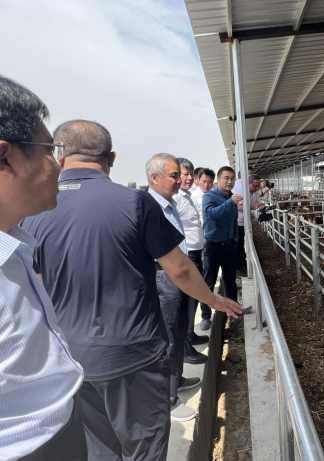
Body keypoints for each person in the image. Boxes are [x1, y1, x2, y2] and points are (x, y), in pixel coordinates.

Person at [22, 121, 242, 461]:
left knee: (100, 445)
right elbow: (180, 269)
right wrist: (213, 300)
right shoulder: (134, 203)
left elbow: (35, 283)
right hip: (132, 353)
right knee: (144, 444)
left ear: (59, 156)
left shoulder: (34, 211)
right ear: (110, 158)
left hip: (70, 356)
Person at [0, 75, 86, 461]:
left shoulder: (16, 245)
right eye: (49, 149)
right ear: (4, 159)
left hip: (58, 429)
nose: (58, 164)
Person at [147, 153, 208, 423]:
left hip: (178, 274)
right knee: (168, 336)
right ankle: (167, 401)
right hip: (164, 277)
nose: (181, 180)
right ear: (155, 177)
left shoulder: (171, 203)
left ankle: (177, 379)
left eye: (180, 175)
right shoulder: (149, 206)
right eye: (174, 176)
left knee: (181, 327)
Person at [172, 158, 210, 358]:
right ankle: (185, 347)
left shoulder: (185, 196)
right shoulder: (176, 199)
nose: (187, 178)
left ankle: (189, 335)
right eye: (183, 174)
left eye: (189, 174)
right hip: (187, 254)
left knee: (191, 300)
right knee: (186, 301)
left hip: (196, 251)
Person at [202, 166, 246, 318]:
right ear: (218, 179)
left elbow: (234, 220)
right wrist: (230, 203)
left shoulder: (232, 197)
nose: (229, 181)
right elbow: (210, 215)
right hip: (213, 245)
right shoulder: (210, 196)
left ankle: (235, 310)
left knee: (230, 279)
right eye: (226, 178)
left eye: (232, 179)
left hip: (229, 245)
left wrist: (234, 238)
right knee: (209, 281)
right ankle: (206, 316)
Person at [191, 167, 215, 330]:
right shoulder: (193, 198)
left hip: (212, 241)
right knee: (203, 280)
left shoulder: (214, 196)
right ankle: (205, 316)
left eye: (209, 182)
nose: (206, 185)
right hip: (199, 244)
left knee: (211, 277)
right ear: (197, 180)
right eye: (204, 181)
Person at [232, 174, 265, 277]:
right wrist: (251, 207)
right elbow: (238, 206)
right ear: (249, 184)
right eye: (255, 186)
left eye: (258, 186)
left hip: (246, 222)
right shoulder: (242, 192)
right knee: (238, 245)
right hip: (237, 222)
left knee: (242, 244)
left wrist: (262, 206)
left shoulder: (255, 194)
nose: (257, 188)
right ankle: (238, 268)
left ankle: (242, 265)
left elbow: (260, 203)